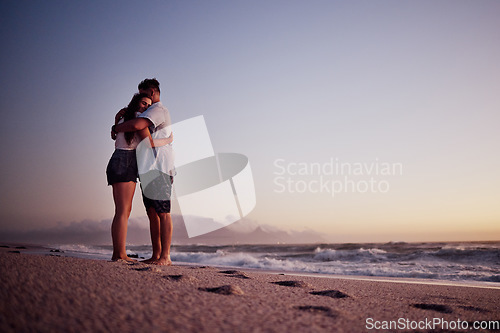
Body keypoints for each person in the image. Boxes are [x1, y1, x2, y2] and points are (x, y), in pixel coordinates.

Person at [112, 78, 175, 266]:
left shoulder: (158, 110)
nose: (143, 99)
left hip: (160, 166)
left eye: (145, 95)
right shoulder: (145, 111)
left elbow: (137, 126)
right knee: (152, 212)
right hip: (147, 167)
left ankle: (166, 256)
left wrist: (116, 127)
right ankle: (156, 254)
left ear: (154, 92)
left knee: (163, 212)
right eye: (140, 97)